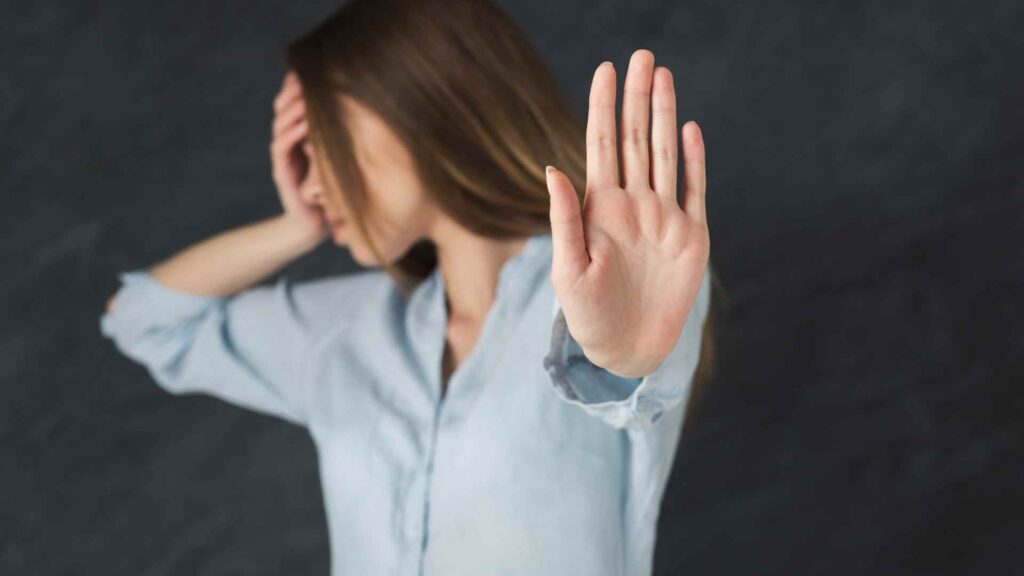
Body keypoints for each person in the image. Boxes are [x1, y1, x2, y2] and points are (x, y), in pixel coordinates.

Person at [99, 0, 720, 574]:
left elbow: (633, 370)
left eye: (324, 140)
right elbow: (143, 320)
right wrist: (297, 226)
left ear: (418, 106)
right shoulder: (348, 332)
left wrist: (620, 359)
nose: (311, 181)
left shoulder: (619, 285)